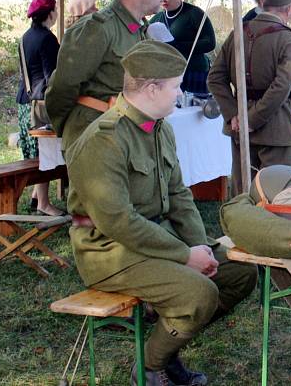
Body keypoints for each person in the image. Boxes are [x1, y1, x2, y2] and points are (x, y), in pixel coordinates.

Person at [65, 40, 256, 386]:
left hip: (155, 241)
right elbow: (117, 221)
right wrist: (185, 256)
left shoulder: (159, 128)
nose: (180, 93)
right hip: (109, 252)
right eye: (175, 85)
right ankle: (151, 365)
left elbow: (179, 195)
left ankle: (165, 348)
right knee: (199, 294)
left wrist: (201, 249)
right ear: (152, 89)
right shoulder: (103, 140)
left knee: (240, 273)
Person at [45, 0, 168, 150]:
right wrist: (72, 128)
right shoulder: (97, 28)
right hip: (98, 139)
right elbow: (62, 87)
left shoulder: (141, 31)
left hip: (127, 136)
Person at [208, 0, 291, 194]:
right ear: (288, 8)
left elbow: (215, 77)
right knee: (277, 197)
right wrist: (252, 119)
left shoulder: (238, 33)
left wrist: (235, 115)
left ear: (263, 3)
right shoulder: (288, 38)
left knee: (244, 196)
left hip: (240, 126)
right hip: (275, 127)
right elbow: (282, 86)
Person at [16, 0, 63, 216]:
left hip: (25, 101)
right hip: (41, 104)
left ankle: (36, 197)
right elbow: (52, 77)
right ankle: (44, 203)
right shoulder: (47, 38)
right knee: (45, 153)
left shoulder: (25, 37)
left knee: (32, 152)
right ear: (50, 13)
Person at [243, 0, 291, 130]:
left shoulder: (282, 28)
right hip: (269, 107)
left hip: (289, 99)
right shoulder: (246, 25)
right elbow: (282, 83)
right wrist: (251, 118)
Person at [150, 0, 216, 95]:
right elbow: (138, 30)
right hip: (168, 75)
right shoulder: (156, 18)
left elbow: (210, 42)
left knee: (195, 110)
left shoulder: (195, 13)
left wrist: (177, 46)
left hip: (195, 72)